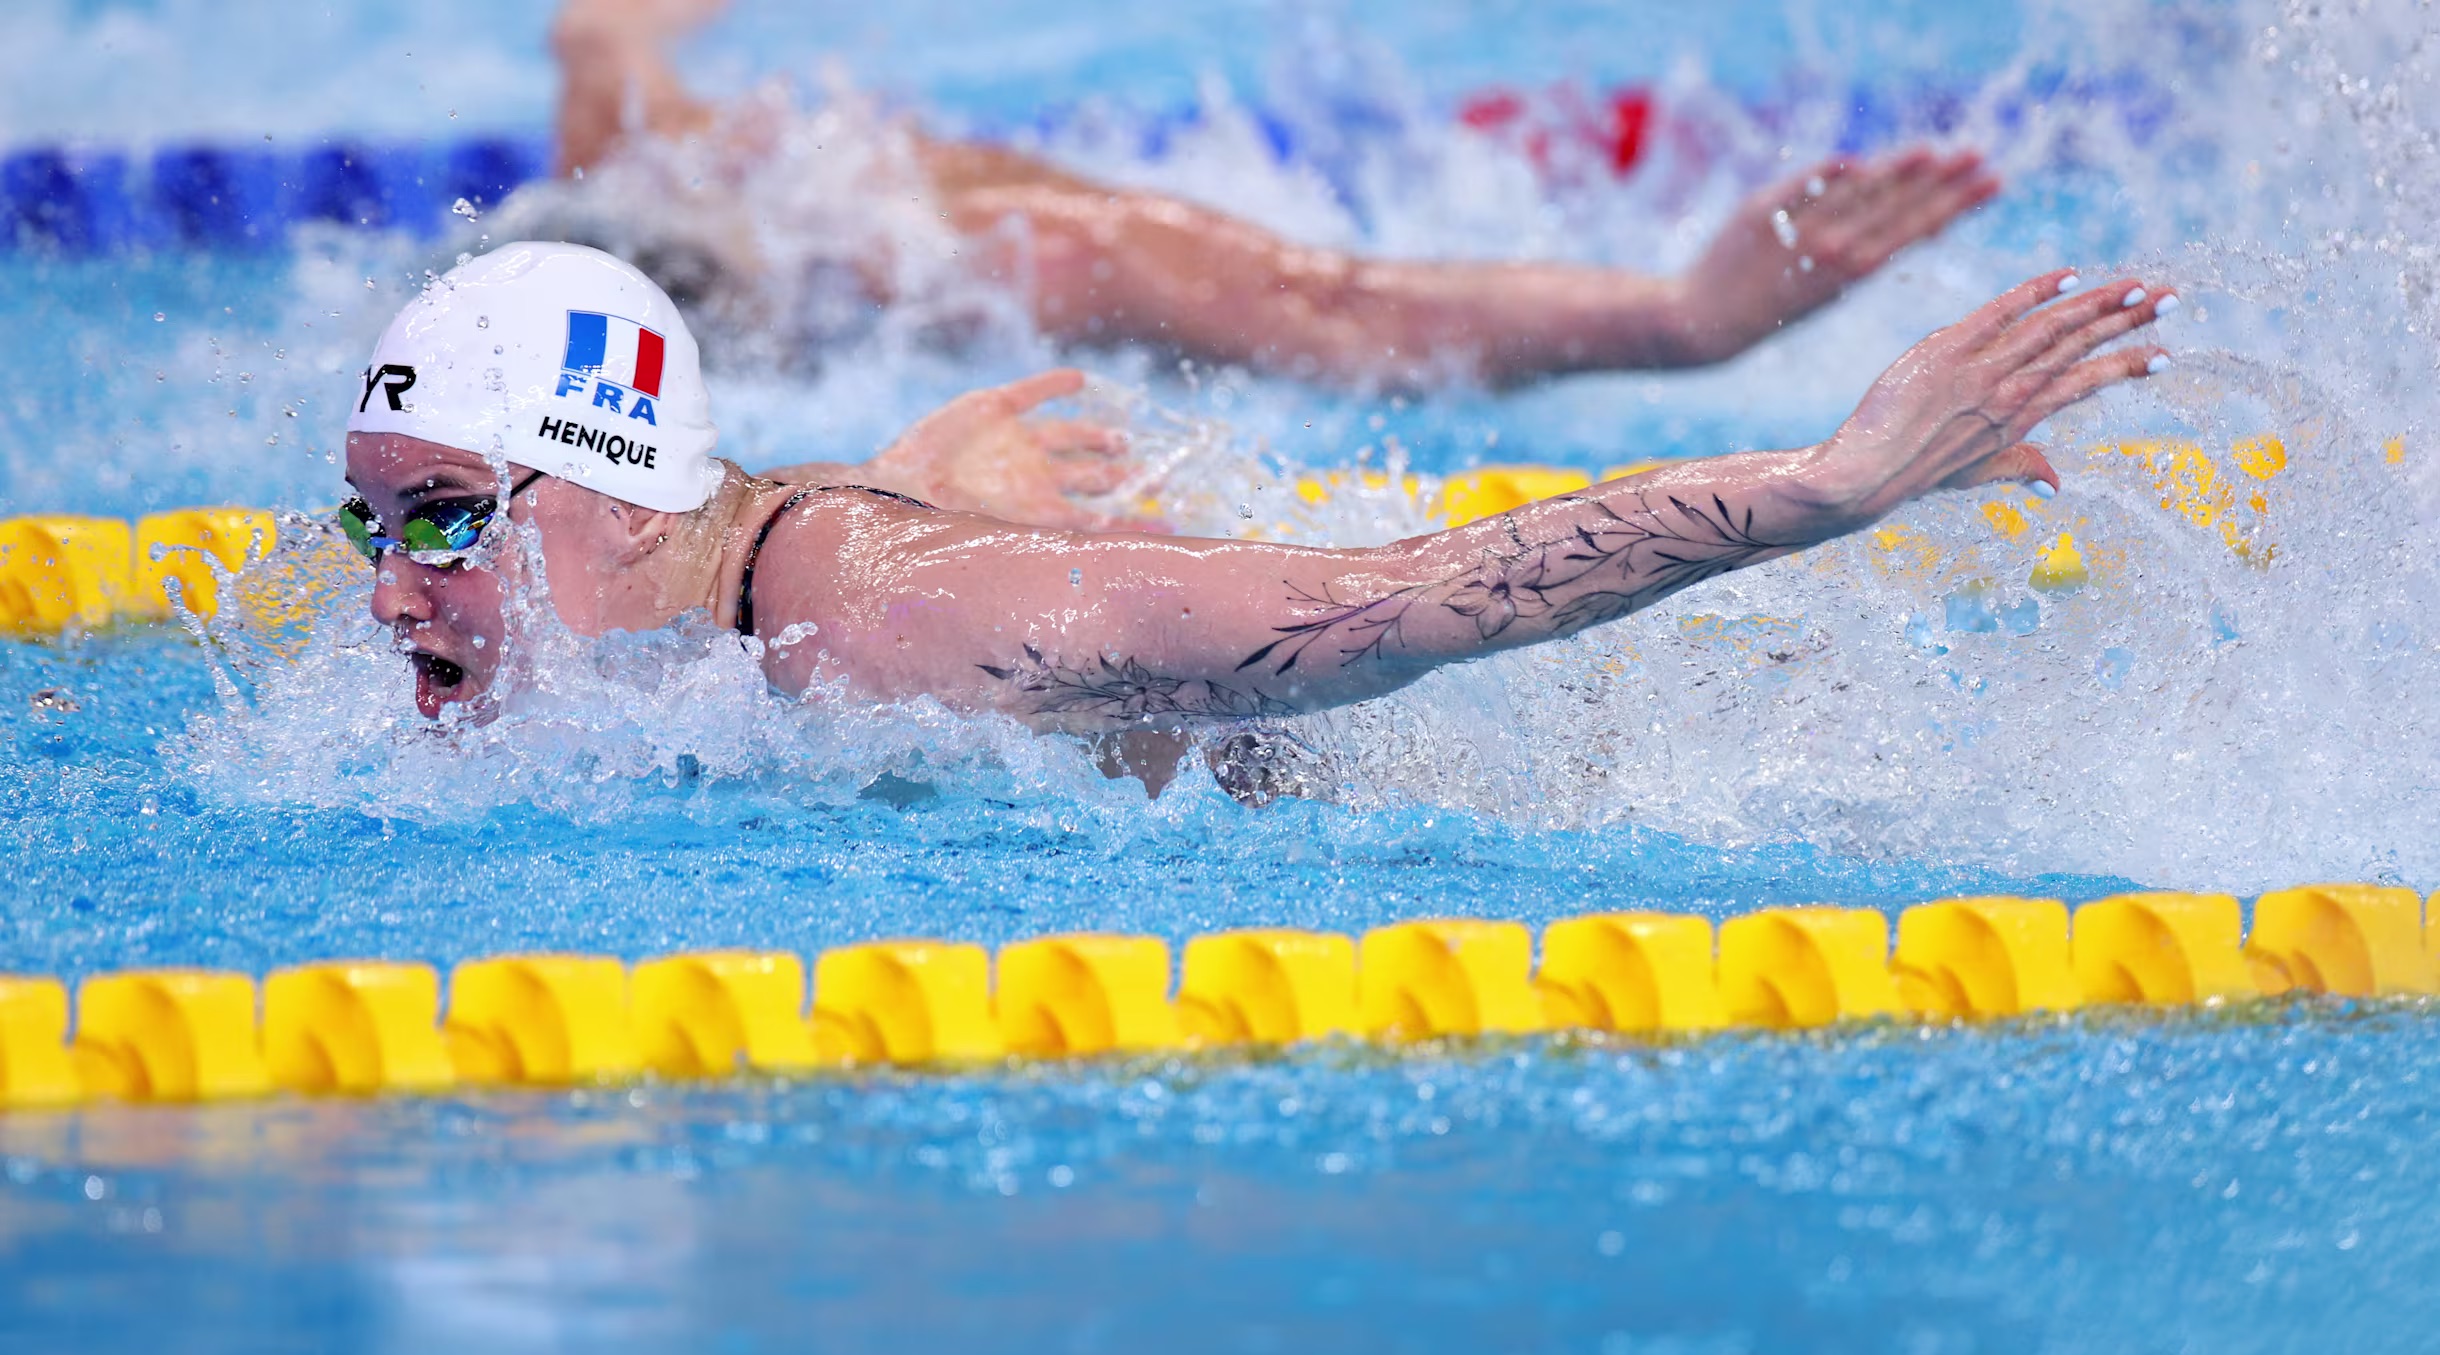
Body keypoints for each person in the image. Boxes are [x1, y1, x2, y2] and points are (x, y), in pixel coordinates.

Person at [343, 244, 2171, 750]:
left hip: (1563, 757)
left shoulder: (878, 623)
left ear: (626, 502)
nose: (391, 590)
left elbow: (1402, 605)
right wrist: (915, 474)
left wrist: (1826, 487)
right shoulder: (721, 568)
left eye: (443, 519)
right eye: (375, 524)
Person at [530, 0, 2005, 391]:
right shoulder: (960, 257)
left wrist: (1687, 318)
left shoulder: (1015, 252)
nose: (782, 125)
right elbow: (1345, 311)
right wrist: (1683, 320)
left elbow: (1349, 310)